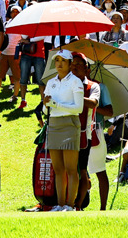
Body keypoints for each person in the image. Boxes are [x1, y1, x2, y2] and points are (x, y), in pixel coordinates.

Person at [40, 48, 82, 211]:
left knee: (71, 169)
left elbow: (78, 108)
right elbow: (46, 111)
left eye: (63, 61)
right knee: (58, 169)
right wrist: (46, 105)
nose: (59, 63)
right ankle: (60, 204)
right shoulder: (51, 82)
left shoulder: (75, 82)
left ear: (70, 64)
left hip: (70, 124)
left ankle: (70, 206)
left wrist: (56, 105)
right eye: (57, 60)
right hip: (53, 124)